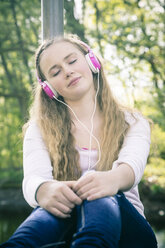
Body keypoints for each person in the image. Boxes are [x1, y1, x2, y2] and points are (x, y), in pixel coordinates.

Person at [0, 34, 158, 248]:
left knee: (95, 188)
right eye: (56, 72)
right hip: (66, 227)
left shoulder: (132, 121)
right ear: (49, 88)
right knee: (56, 203)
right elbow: (33, 179)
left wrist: (110, 180)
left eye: (72, 61)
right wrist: (44, 190)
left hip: (129, 235)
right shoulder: (38, 129)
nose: (67, 71)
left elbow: (132, 166)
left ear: (91, 61)